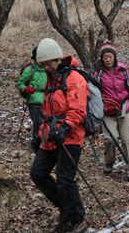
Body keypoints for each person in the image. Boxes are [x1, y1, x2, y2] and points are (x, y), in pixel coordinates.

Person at [30, 38, 88, 233]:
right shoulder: (50, 79)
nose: (47, 67)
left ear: (58, 58)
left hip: (70, 137)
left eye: (50, 63)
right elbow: (46, 112)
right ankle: (65, 208)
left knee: (65, 179)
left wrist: (64, 128)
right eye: (43, 64)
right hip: (50, 136)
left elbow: (78, 111)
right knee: (37, 173)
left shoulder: (74, 78)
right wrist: (39, 135)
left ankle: (78, 218)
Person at [94, 40, 129, 182]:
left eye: (110, 56)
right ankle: (108, 164)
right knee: (110, 139)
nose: (108, 59)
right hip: (107, 112)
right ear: (102, 58)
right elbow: (92, 93)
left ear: (114, 57)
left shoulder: (123, 72)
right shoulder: (99, 74)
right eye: (105, 57)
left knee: (128, 140)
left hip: (125, 109)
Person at [17, 47, 47, 153]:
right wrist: (25, 89)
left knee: (45, 123)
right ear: (34, 58)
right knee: (38, 123)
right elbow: (20, 84)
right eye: (37, 56)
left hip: (46, 101)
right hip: (34, 101)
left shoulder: (48, 69)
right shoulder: (29, 69)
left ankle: (44, 144)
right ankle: (37, 146)